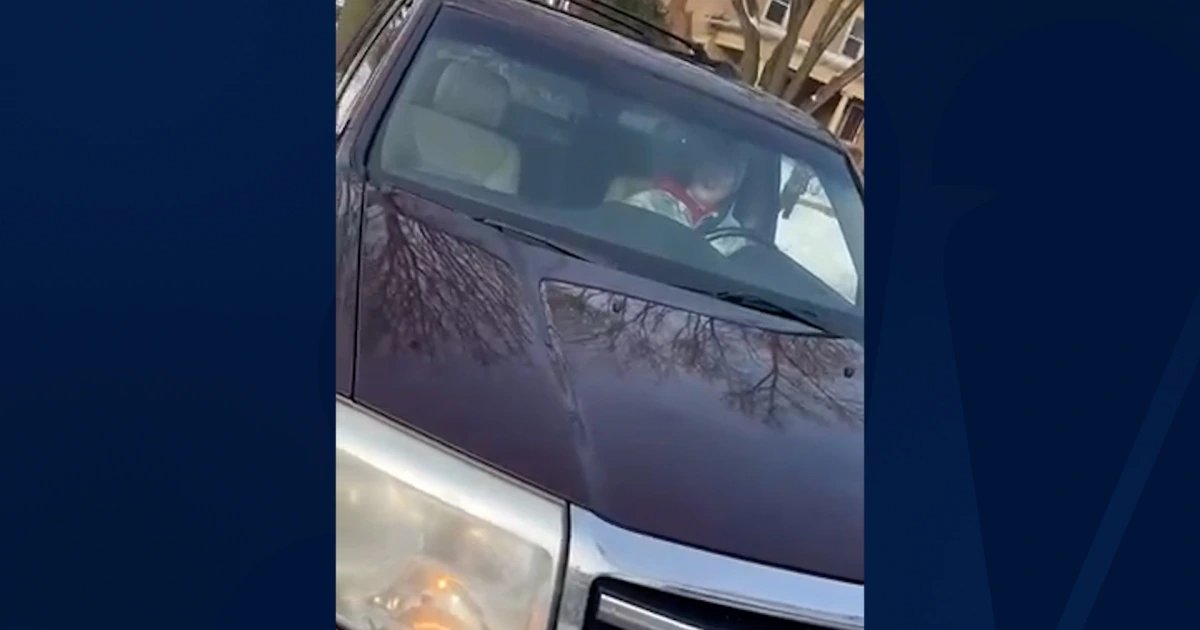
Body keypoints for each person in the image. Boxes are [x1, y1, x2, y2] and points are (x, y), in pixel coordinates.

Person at [623, 135, 750, 255]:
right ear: (695, 164)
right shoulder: (650, 203)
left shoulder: (733, 237)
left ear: (734, 185)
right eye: (711, 162)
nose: (715, 174)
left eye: (726, 170)